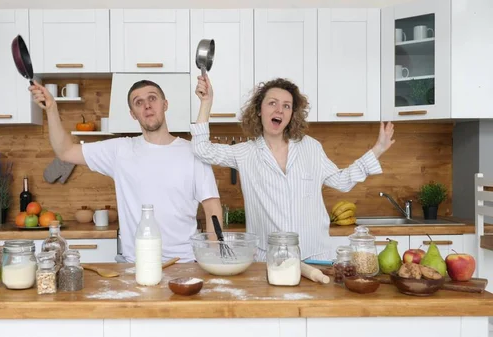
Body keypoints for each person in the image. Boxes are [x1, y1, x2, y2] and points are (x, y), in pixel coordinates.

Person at [190, 74, 395, 261]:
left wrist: (378, 149)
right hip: (268, 259)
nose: (279, 109)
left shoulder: (311, 148)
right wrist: (206, 102)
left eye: (287, 106)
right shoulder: (245, 153)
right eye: (272, 103)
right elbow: (201, 148)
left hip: (315, 256)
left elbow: (342, 181)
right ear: (259, 111)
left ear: (291, 115)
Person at [29, 79, 223, 263]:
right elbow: (65, 151)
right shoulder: (120, 151)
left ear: (165, 104)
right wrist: (52, 109)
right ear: (132, 114)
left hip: (185, 263)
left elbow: (212, 207)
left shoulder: (193, 152)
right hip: (136, 265)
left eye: (152, 98)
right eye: (138, 102)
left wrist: (214, 261)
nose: (147, 105)